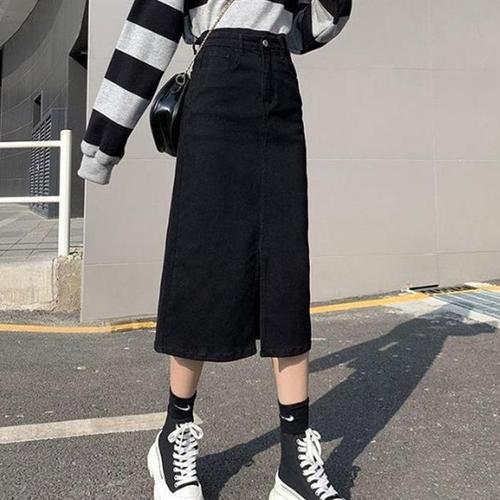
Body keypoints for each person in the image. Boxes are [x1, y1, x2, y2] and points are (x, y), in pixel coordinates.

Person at [77, 0, 352, 498]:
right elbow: (150, 28)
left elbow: (306, 29)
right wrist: (103, 144)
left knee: (286, 266)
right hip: (216, 85)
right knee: (201, 261)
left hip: (279, 85)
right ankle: (174, 435)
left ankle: (295, 460)